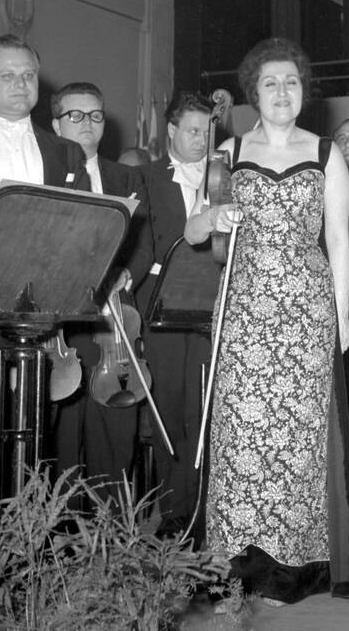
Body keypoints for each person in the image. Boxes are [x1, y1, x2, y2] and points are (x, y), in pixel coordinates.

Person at [184, 37, 349, 604]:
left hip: (307, 312)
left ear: (304, 90)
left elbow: (338, 241)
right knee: (241, 434)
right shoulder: (228, 153)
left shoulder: (327, 152)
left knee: (299, 437)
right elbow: (193, 233)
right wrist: (214, 213)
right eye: (270, 83)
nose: (282, 92)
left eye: (291, 82)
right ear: (252, 92)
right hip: (244, 308)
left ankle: (296, 562)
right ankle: (237, 559)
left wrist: (343, 316)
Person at [0, 34, 90, 502]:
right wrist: (2, 232)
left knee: (35, 438)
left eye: (28, 75)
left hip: (43, 314)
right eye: (7, 75)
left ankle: (31, 549)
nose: (20, 84)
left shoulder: (66, 153)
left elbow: (85, 231)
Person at [49, 81, 153, 494]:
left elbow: (144, 243)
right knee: (64, 434)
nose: (86, 123)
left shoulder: (126, 175)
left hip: (114, 320)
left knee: (115, 427)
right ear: (56, 124)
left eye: (95, 115)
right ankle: (65, 528)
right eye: (75, 115)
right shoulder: (43, 172)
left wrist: (127, 272)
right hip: (65, 322)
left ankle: (112, 526)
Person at [135, 91, 214, 535]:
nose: (201, 140)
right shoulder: (144, 177)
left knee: (201, 411)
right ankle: (173, 513)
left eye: (206, 131)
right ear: (170, 130)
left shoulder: (226, 177)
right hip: (162, 307)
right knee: (168, 409)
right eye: (191, 130)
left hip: (208, 309)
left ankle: (204, 511)